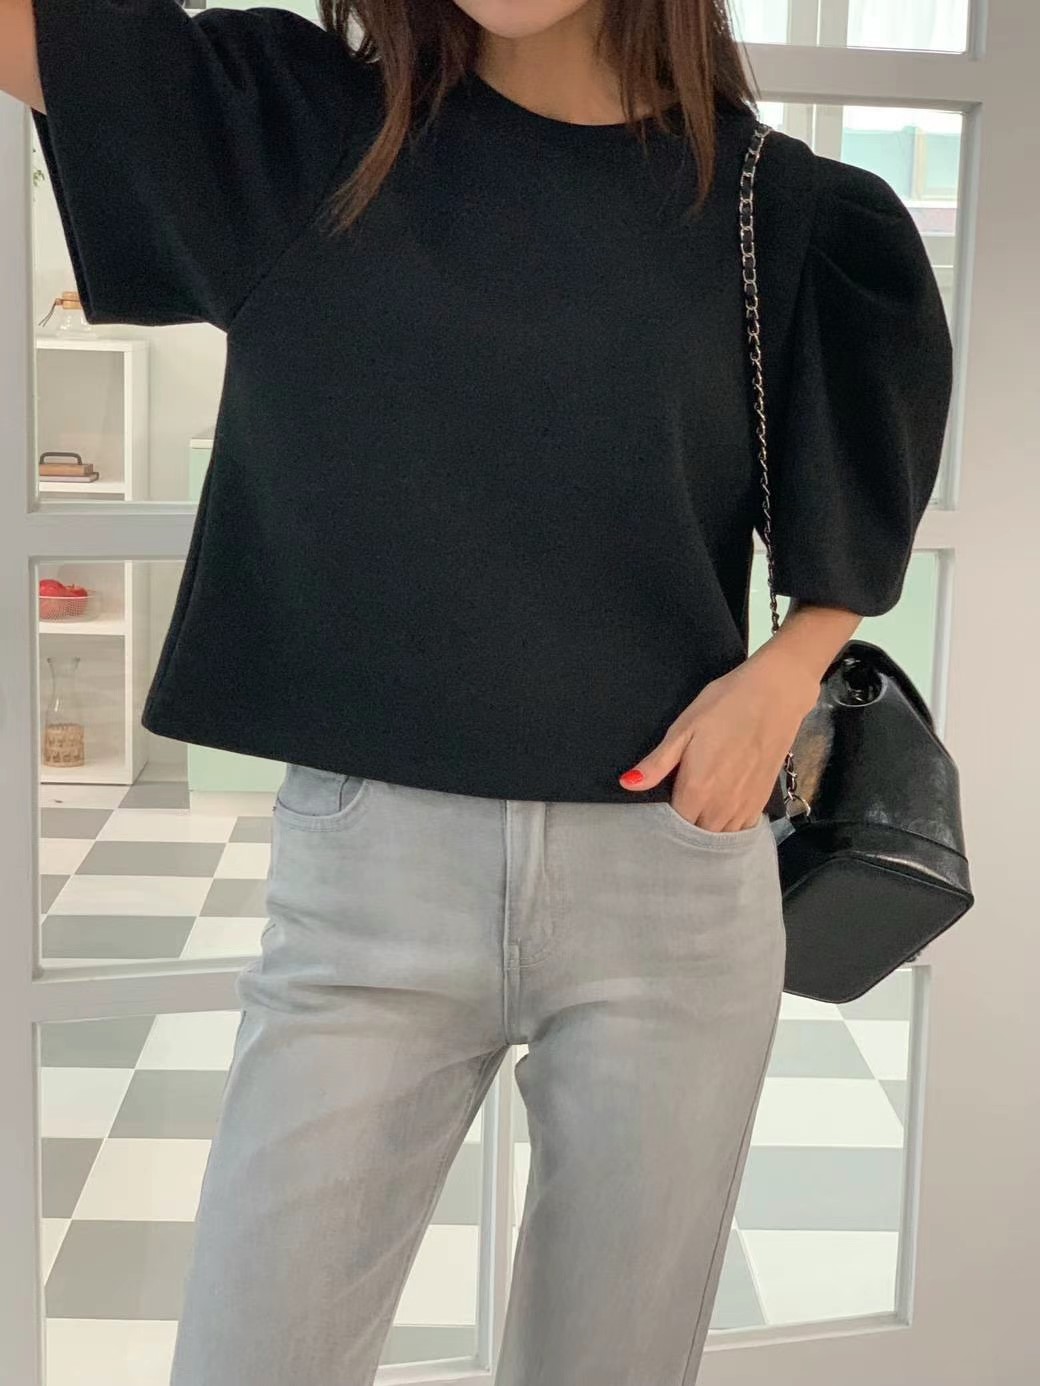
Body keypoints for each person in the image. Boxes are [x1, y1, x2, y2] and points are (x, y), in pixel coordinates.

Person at [2, 1, 953, 1382]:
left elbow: (847, 521)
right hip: (368, 893)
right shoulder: (304, 136)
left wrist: (785, 673)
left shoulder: (781, 212)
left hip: (669, 882)